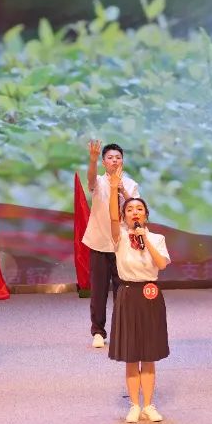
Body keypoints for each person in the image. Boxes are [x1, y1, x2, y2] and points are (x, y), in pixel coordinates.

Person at [106, 165, 170, 423]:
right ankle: (134, 405)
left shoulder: (157, 238)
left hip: (151, 294)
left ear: (146, 215)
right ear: (124, 216)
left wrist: (146, 239)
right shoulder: (119, 237)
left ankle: (149, 405)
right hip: (128, 293)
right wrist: (114, 189)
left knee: (149, 354)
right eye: (130, 209)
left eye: (139, 209)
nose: (135, 212)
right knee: (131, 354)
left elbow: (161, 264)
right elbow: (112, 218)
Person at [81, 140, 140, 348]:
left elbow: (136, 210)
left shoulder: (131, 184)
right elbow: (90, 180)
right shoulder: (98, 182)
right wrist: (92, 160)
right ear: (104, 162)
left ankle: (121, 330)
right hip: (99, 242)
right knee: (98, 290)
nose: (114, 161)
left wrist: (122, 190)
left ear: (123, 161)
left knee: (122, 290)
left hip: (122, 244)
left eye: (118, 158)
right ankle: (98, 331)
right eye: (110, 158)